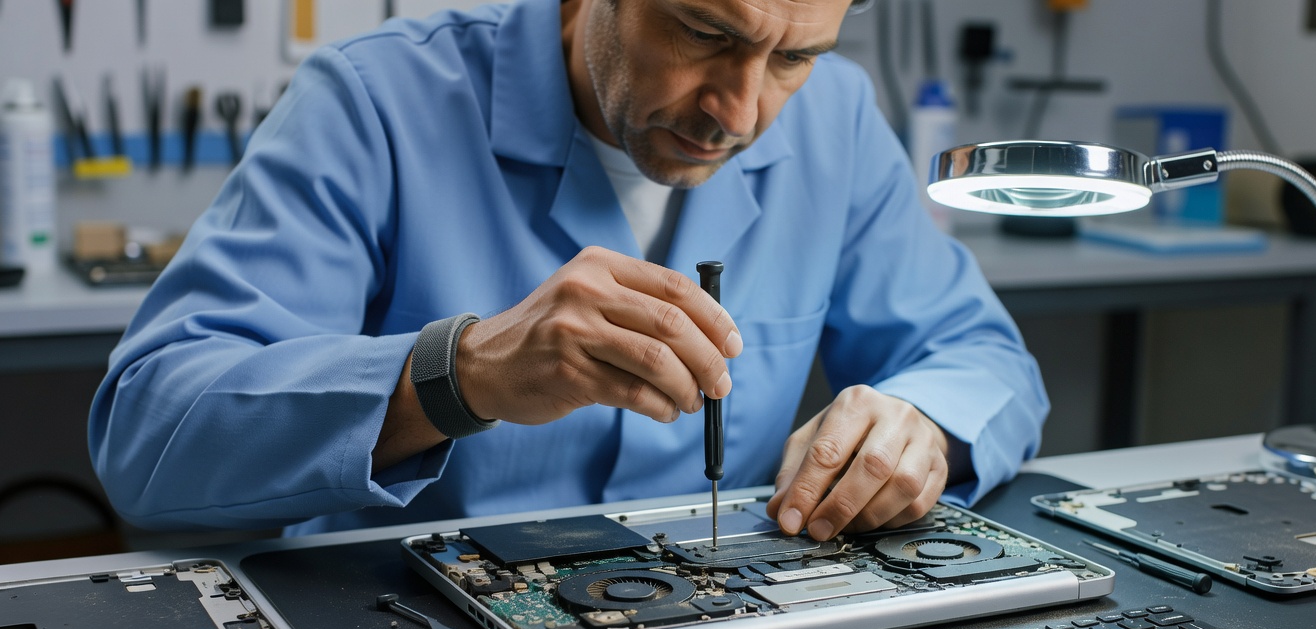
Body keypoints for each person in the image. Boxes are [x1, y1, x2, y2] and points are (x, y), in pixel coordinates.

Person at [89, 0, 1048, 539]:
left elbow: (980, 359)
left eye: (791, 56)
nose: (742, 112)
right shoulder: (375, 102)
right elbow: (149, 430)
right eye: (707, 34)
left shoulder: (837, 117)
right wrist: (458, 375)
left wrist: (917, 424)